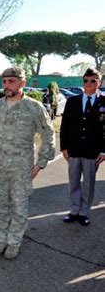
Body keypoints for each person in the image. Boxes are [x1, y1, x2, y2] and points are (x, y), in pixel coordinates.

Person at [0, 67, 55, 260]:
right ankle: (1, 239)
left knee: (19, 207)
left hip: (21, 168)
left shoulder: (33, 107)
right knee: (0, 205)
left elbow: (48, 135)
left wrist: (40, 163)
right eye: (4, 81)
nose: (6, 85)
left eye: (11, 81)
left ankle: (14, 242)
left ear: (22, 83)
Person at [60, 67, 105, 226]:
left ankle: (84, 212)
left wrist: (104, 151)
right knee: (73, 181)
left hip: (93, 152)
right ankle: (74, 211)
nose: (89, 83)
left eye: (93, 80)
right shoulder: (72, 101)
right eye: (86, 80)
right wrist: (64, 148)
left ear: (99, 83)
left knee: (88, 183)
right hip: (74, 150)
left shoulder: (104, 102)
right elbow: (65, 125)